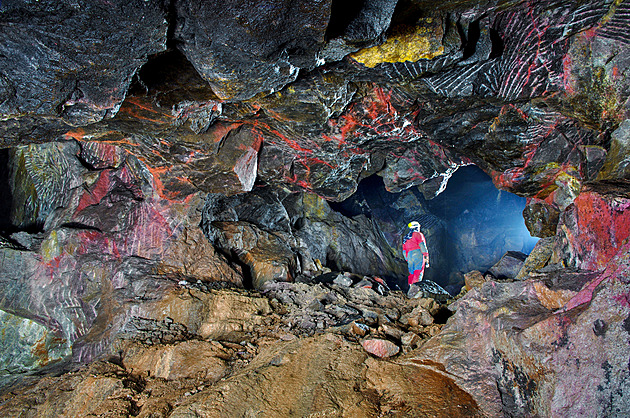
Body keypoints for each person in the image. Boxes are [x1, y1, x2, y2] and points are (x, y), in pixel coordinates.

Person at [402, 221, 429, 295]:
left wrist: (407, 259)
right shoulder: (418, 234)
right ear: (417, 227)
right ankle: (415, 291)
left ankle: (410, 289)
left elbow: (404, 250)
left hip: (409, 256)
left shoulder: (406, 237)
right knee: (418, 271)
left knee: (411, 273)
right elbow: (422, 245)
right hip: (418, 254)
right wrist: (426, 256)